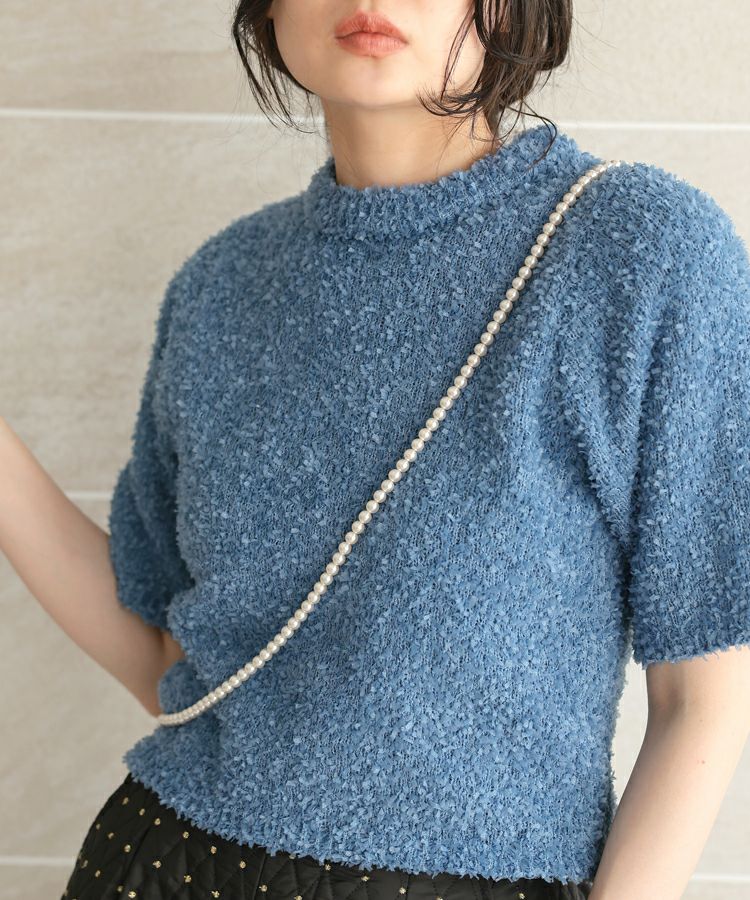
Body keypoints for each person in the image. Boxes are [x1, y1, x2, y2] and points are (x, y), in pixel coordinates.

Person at [1, 1, 748, 898]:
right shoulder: (219, 286)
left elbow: (702, 700)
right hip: (168, 864)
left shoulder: (640, 253)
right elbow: (169, 659)